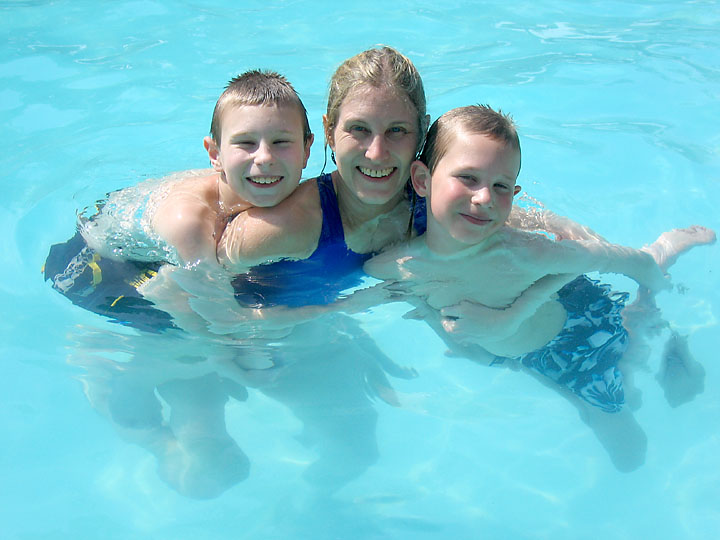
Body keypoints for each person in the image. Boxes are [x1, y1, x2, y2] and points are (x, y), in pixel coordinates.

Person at [350, 104, 715, 470]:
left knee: (629, 451)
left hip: (578, 336)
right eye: (468, 177)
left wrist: (653, 279)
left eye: (500, 186)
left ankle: (662, 252)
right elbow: (404, 295)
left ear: (513, 194)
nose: (484, 198)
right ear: (422, 180)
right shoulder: (396, 264)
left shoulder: (523, 252)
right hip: (527, 355)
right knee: (622, 381)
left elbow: (613, 259)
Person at [44, 69, 313, 330]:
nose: (265, 158)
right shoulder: (189, 221)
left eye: (281, 142)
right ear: (215, 154)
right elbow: (222, 319)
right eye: (246, 143)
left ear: (306, 150)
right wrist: (328, 308)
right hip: (98, 270)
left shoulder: (283, 190)